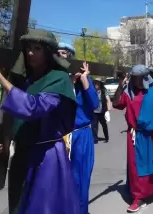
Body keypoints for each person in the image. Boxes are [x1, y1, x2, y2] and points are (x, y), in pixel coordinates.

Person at [0, 29, 81, 214]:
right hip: (21, 157)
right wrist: (0, 141)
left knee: (43, 209)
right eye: (28, 48)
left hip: (46, 157)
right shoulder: (25, 81)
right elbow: (15, 119)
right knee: (19, 207)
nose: (30, 53)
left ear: (47, 51)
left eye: (37, 48)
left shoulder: (58, 79)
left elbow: (33, 108)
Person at [113, 65, 153, 213]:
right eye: (133, 78)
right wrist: (121, 85)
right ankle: (138, 197)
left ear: (145, 78)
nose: (135, 81)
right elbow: (116, 104)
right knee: (136, 167)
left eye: (138, 78)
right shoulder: (128, 91)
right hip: (135, 135)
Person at [58, 42, 99, 214]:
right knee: (60, 179)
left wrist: (82, 79)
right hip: (60, 136)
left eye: (63, 53)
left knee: (80, 178)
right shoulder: (56, 80)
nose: (60, 56)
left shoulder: (83, 81)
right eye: (57, 53)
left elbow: (95, 104)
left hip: (81, 136)